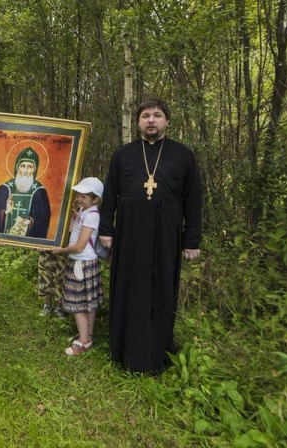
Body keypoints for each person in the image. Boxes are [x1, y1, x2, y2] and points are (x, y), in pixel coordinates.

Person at [99, 98, 202, 373]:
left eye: (157, 115)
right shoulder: (123, 154)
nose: (151, 120)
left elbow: (193, 200)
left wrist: (192, 239)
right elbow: (110, 194)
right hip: (130, 232)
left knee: (161, 289)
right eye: (145, 116)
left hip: (167, 233)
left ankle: (157, 350)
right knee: (128, 286)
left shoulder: (183, 155)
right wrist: (106, 230)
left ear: (167, 120)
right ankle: (123, 350)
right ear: (138, 122)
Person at [52, 178, 104, 356]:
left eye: (84, 196)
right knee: (88, 303)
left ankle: (83, 341)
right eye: (79, 195)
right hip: (82, 262)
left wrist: (61, 250)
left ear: (95, 199)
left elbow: (80, 245)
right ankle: (87, 335)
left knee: (78, 304)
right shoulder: (84, 212)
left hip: (82, 262)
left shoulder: (92, 215)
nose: (79, 198)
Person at [0, 147, 51, 238]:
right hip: (3, 242)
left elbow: (43, 221)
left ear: (35, 170)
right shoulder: (4, 189)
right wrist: (5, 212)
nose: (25, 171)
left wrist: (30, 222)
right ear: (17, 167)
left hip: (26, 245)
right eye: (23, 166)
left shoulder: (39, 192)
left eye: (30, 167)